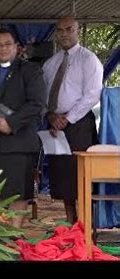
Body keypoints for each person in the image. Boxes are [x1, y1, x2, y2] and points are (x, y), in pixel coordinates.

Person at [0, 29, 46, 228]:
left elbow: (37, 104)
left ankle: (13, 241)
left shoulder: (31, 71)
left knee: (17, 195)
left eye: (8, 44)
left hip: (19, 144)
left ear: (17, 47)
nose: (3, 48)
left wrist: (11, 123)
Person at [43, 15, 103, 224]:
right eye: (60, 30)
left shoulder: (89, 59)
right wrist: (51, 116)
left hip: (79, 125)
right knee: (61, 175)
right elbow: (43, 95)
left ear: (77, 30)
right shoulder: (51, 63)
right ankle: (70, 221)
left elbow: (92, 94)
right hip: (54, 125)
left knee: (81, 175)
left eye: (69, 29)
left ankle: (86, 226)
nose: (65, 34)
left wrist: (67, 119)